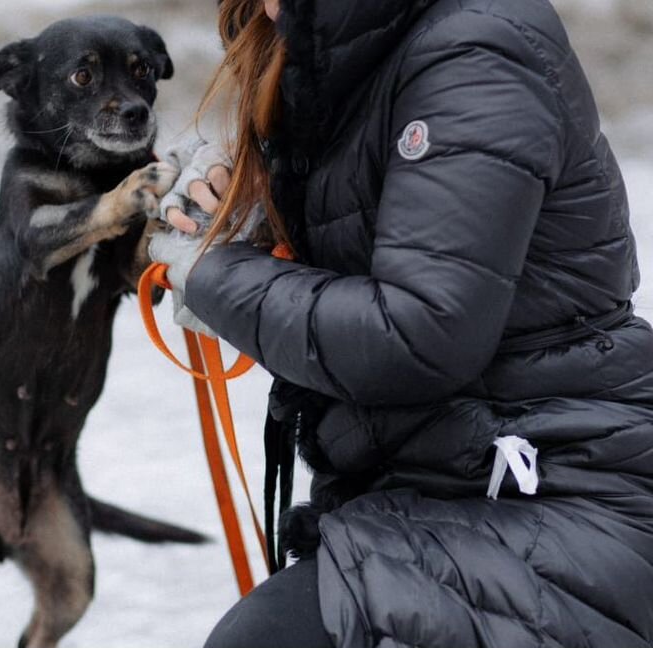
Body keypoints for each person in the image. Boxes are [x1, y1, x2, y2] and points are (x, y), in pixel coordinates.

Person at [149, 0, 653, 646]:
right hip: (438, 482)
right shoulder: (331, 44)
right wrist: (241, 213)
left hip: (562, 496)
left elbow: (419, 334)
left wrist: (215, 275)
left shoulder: (478, 49)